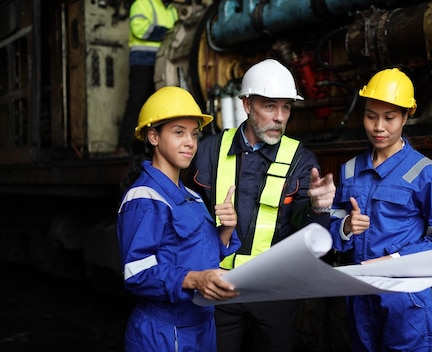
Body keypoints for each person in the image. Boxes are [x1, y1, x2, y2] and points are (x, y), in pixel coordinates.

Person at [187, 58, 336, 352]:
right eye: (270, 106)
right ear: (246, 104)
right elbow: (185, 222)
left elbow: (311, 238)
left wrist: (318, 209)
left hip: (274, 295)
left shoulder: (301, 160)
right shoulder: (209, 152)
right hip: (219, 290)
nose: (279, 117)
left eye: (286, 107)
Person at [328, 68, 432, 352]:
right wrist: (347, 226)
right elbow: (334, 233)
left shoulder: (424, 172)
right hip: (360, 294)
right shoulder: (349, 170)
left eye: (389, 118)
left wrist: (394, 260)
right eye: (371, 116)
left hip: (404, 298)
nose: (379, 127)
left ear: (405, 117)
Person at [117, 86, 241, 351]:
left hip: (200, 327)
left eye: (194, 134)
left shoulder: (192, 197)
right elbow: (136, 272)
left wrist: (227, 228)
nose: (190, 143)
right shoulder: (145, 197)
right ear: (153, 136)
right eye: (178, 132)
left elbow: (203, 256)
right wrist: (195, 280)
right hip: (164, 333)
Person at [116, 0, 178, 156]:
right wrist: (167, 33)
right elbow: (140, 29)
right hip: (143, 62)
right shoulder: (141, 3)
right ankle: (123, 147)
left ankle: (142, 149)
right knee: (137, 103)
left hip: (163, 63)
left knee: (156, 107)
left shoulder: (172, 10)